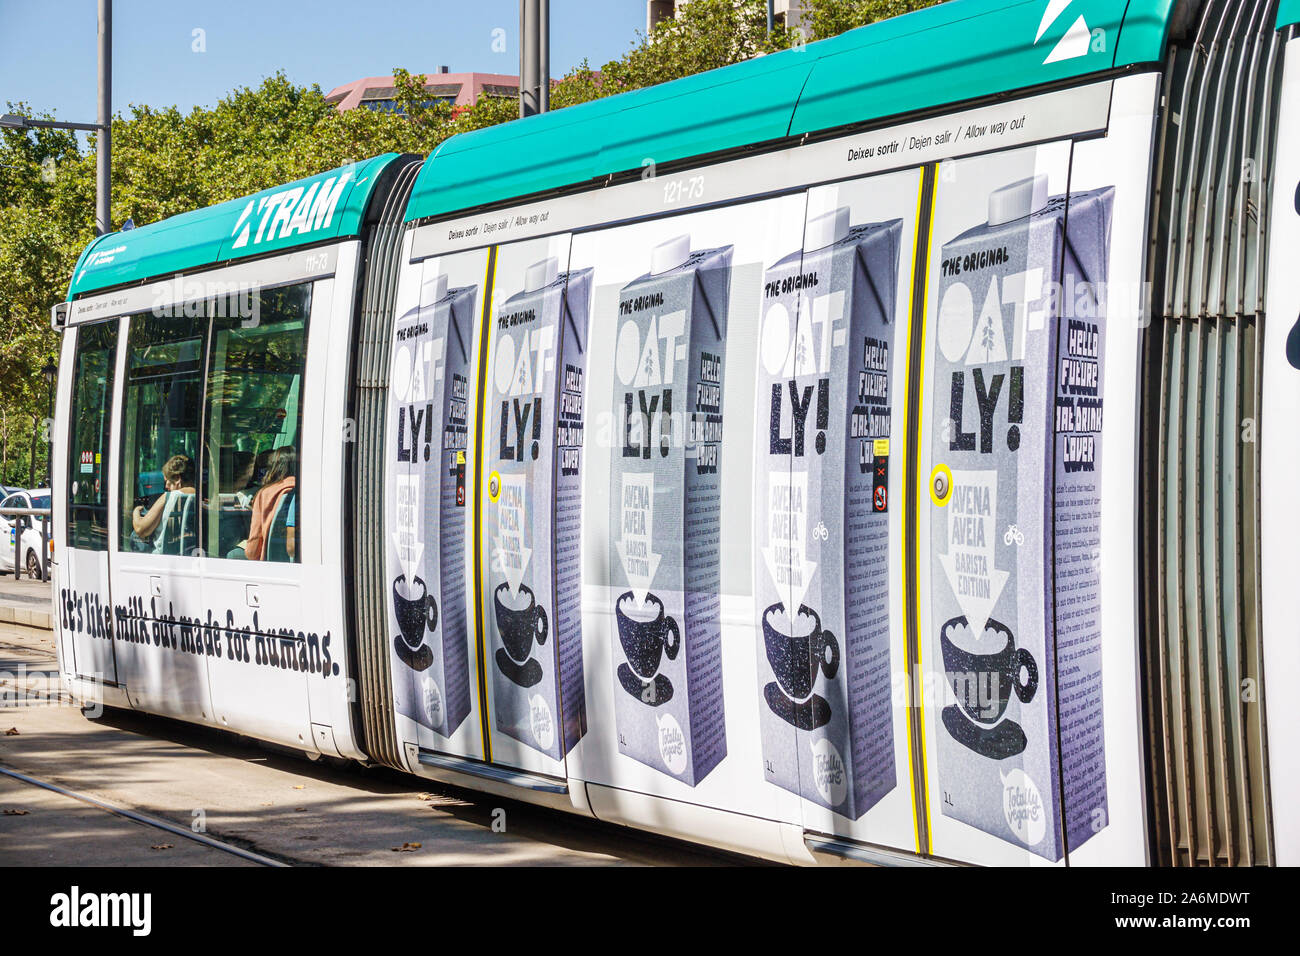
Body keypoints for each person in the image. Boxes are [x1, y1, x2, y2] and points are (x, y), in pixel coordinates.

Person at [227, 446, 296, 561]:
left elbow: (253, 552)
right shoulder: (305, 490)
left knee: (233, 554)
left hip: (270, 561)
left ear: (275, 466)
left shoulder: (264, 494)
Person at [130, 454, 196, 553]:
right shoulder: (199, 497)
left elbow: (141, 529)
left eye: (167, 481)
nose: (166, 486)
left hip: (162, 554)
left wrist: (136, 511)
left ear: (177, 478)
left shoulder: (170, 496)